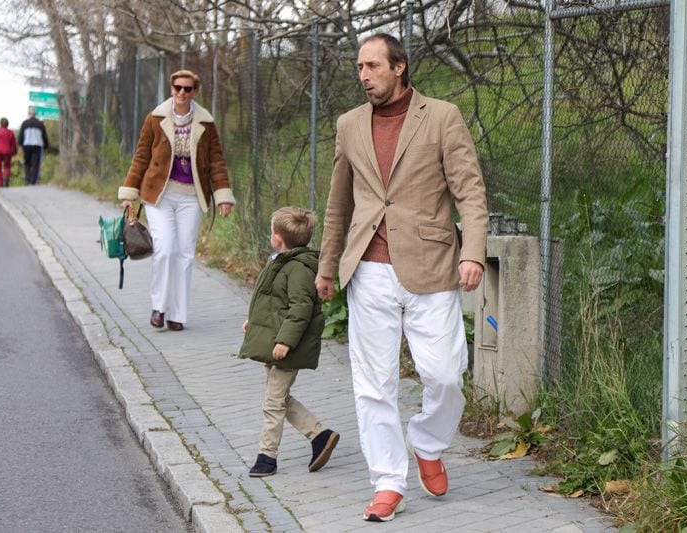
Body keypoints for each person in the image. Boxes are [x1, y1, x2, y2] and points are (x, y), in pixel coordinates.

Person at [315, 34, 489, 522]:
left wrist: (472, 252)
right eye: (358, 67)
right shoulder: (349, 124)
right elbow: (339, 203)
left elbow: (470, 192)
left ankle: (428, 442)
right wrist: (327, 266)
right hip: (368, 268)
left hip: (431, 265)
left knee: (446, 373)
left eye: (372, 66)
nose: (363, 75)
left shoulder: (441, 116)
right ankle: (388, 482)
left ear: (399, 68)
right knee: (373, 383)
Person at [119, 69, 235, 331]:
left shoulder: (206, 122)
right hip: (159, 195)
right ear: (171, 89)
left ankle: (177, 314)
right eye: (177, 88)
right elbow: (141, 157)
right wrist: (129, 192)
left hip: (191, 197)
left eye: (188, 89)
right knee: (165, 249)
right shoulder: (155, 118)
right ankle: (159, 307)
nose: (182, 93)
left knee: (185, 254)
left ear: (195, 92)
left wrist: (223, 195)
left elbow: (216, 160)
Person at [239, 207, 340, 478]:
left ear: (278, 238)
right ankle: (320, 435)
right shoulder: (280, 261)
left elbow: (300, 308)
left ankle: (266, 457)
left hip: (285, 346)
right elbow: (272, 301)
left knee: (272, 403)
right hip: (272, 341)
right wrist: (254, 322)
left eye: (272, 232)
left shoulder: (298, 268)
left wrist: (285, 341)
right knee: (279, 397)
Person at [18, 106, 49, 185]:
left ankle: (27, 179)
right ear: (35, 114)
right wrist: (45, 146)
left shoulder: (25, 123)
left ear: (29, 114)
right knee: (35, 164)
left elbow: (21, 135)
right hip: (37, 145)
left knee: (27, 163)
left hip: (27, 145)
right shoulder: (40, 124)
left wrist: (20, 145)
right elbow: (44, 136)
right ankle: (33, 181)